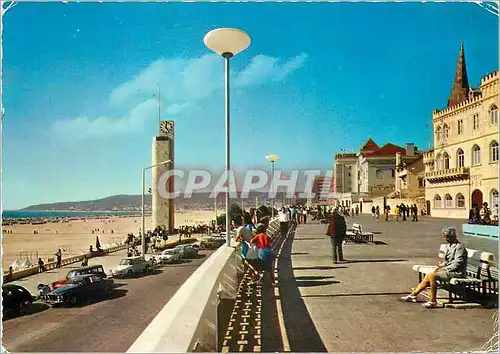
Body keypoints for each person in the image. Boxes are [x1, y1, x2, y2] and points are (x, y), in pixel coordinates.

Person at [400, 226, 467, 308]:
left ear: (453, 237)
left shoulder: (459, 247)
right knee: (429, 275)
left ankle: (433, 300)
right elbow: (449, 261)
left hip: (457, 272)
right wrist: (443, 264)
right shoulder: (448, 246)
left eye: (448, 237)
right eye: (445, 237)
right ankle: (413, 295)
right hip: (449, 270)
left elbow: (458, 263)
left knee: (432, 276)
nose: (446, 239)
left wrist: (444, 268)